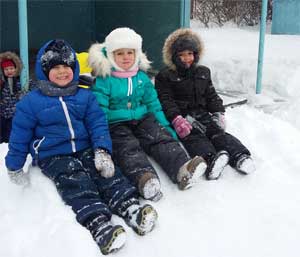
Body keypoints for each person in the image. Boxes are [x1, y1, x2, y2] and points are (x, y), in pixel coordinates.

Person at [5, 39, 158, 255]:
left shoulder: (84, 95)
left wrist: (102, 150)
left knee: (107, 174)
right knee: (75, 181)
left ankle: (130, 208)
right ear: (44, 70)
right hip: (54, 154)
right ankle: (98, 224)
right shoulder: (31, 103)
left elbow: (98, 124)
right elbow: (19, 137)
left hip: (85, 147)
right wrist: (14, 165)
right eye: (55, 67)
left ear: (74, 69)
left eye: (66, 67)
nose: (62, 72)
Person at [88, 27, 207, 201]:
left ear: (137, 54)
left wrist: (165, 127)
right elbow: (99, 110)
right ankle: (144, 178)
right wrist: (103, 136)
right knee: (127, 147)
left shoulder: (141, 78)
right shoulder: (105, 80)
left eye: (130, 52)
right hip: (115, 123)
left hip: (142, 118)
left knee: (159, 137)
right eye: (120, 53)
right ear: (111, 56)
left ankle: (183, 168)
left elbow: (153, 104)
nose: (126, 57)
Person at [155, 28, 255, 179]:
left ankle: (239, 156)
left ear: (196, 54)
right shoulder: (165, 76)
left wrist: (218, 112)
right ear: (173, 56)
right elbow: (165, 100)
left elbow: (211, 95)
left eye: (190, 53)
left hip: (202, 114)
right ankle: (211, 160)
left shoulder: (203, 72)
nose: (187, 58)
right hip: (184, 118)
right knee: (194, 137)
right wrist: (176, 118)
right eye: (181, 55)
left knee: (217, 133)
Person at [0, 51, 23, 143]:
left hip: (14, 114)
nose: (9, 71)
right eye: (6, 69)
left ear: (16, 68)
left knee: (11, 134)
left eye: (11, 68)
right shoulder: (2, 82)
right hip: (2, 113)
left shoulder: (21, 81)